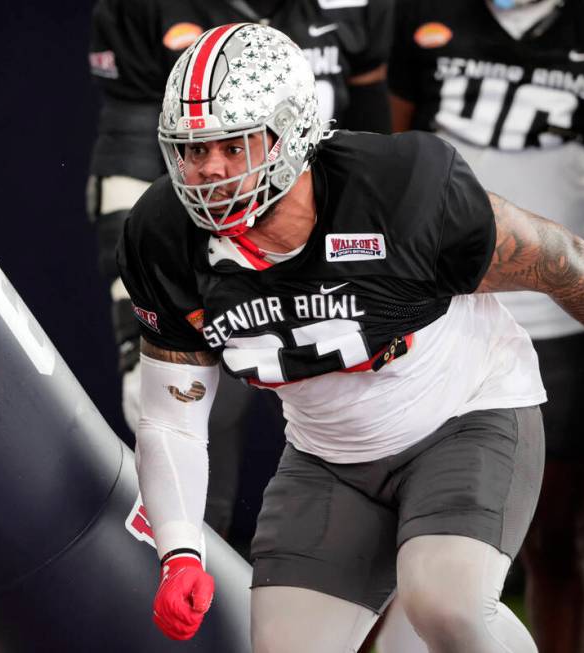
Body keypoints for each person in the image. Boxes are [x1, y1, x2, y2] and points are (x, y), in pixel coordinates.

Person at [117, 23, 584, 652]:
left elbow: (558, 258)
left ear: (289, 131)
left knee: (447, 603)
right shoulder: (162, 237)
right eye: (193, 150)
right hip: (328, 457)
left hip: (464, 415)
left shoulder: (395, 191)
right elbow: (172, 417)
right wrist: (181, 551)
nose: (209, 171)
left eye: (234, 144)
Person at [387, 0, 584, 651]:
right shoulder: (422, 14)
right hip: (437, 317)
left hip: (562, 321)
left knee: (561, 536)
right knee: (403, 531)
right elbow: (386, 161)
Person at [87, 0, 394, 538]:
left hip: (327, 236)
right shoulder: (149, 10)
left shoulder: (357, 9)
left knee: (375, 433)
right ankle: (193, 575)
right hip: (213, 247)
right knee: (187, 431)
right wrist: (138, 302)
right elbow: (131, 155)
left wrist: (382, 236)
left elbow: (375, 132)